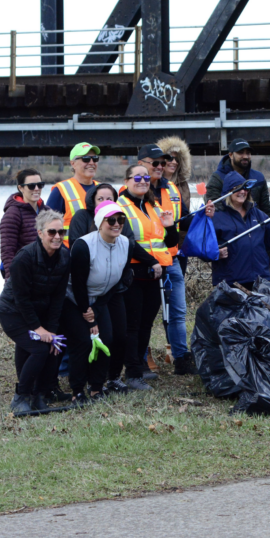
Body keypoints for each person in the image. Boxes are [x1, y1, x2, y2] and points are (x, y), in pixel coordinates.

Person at [62, 201, 160, 404]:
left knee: (108, 340)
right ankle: (77, 391)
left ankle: (97, 388)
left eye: (121, 220)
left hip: (103, 297)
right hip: (75, 298)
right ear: (99, 223)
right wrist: (86, 312)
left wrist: (97, 308)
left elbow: (119, 278)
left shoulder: (126, 244)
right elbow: (78, 284)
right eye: (112, 220)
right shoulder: (84, 245)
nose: (117, 224)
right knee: (82, 342)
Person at [0, 209, 70, 415]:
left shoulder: (64, 256)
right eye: (51, 232)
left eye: (61, 232)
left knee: (53, 346)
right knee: (39, 349)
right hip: (13, 311)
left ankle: (38, 395)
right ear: (40, 233)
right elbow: (21, 299)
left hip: (40, 310)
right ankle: (21, 396)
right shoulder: (24, 258)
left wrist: (51, 331)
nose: (57, 236)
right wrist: (38, 328)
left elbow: (58, 297)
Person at [140, 143, 199, 376]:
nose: (160, 166)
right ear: (142, 164)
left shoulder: (172, 189)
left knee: (177, 312)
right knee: (143, 314)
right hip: (143, 264)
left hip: (171, 260)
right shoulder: (134, 190)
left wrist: (204, 215)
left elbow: (181, 221)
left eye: (163, 163)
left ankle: (181, 359)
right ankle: (140, 358)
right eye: (155, 163)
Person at [116, 164, 176, 392]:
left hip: (156, 273)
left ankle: (138, 367)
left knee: (146, 324)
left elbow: (168, 243)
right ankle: (131, 373)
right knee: (132, 325)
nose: (142, 180)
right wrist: (150, 261)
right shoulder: (120, 205)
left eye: (145, 177)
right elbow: (127, 242)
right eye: (137, 177)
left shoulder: (152, 205)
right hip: (133, 272)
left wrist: (170, 227)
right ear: (127, 180)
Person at [211, 171, 270, 287]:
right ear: (228, 192)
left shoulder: (258, 214)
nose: (242, 192)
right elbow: (202, 248)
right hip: (231, 282)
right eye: (237, 188)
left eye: (245, 188)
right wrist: (214, 253)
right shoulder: (216, 217)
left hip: (260, 280)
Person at [46, 142, 101, 248]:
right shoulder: (61, 190)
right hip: (70, 255)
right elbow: (48, 227)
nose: (91, 162)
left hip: (100, 255)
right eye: (85, 159)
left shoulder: (103, 189)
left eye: (95, 158)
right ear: (73, 163)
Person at [205, 138, 270, 215]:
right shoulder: (218, 177)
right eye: (241, 153)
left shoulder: (258, 177)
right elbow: (213, 208)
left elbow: (266, 210)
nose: (245, 156)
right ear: (231, 155)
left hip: (255, 224)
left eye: (248, 153)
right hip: (227, 225)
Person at [0, 168, 44, 279]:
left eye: (40, 185)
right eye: (31, 186)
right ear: (21, 188)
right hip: (23, 274)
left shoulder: (47, 211)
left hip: (44, 276)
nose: (37, 189)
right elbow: (7, 252)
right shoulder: (13, 214)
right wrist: (11, 282)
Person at [67, 183, 135, 244]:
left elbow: (130, 242)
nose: (105, 202)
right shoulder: (82, 216)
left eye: (109, 199)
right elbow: (75, 243)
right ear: (93, 201)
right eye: (100, 199)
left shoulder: (120, 217)